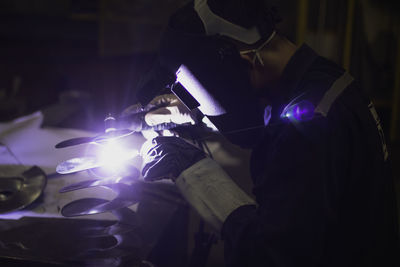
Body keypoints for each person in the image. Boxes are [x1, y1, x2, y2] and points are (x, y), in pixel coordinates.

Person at [137, 0, 399, 266]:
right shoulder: (324, 80)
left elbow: (269, 254)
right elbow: (267, 120)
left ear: (245, 60)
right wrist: (194, 111)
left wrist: (191, 169)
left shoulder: (310, 130)